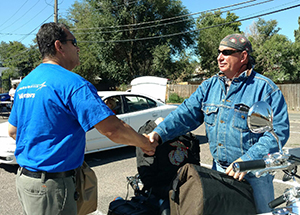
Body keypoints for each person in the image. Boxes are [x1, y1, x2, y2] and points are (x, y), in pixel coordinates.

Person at [7, 22, 157, 215]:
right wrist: (145, 143)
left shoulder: (26, 83)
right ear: (58, 46)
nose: (78, 48)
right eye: (73, 42)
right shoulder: (73, 83)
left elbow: (13, 130)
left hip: (26, 181)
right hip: (52, 186)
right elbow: (113, 129)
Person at [148, 34, 290, 213]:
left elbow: (278, 132)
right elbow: (184, 114)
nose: (219, 57)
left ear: (243, 56)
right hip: (220, 171)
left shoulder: (265, 89)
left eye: (226, 52)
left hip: (254, 173)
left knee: (264, 213)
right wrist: (159, 133)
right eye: (218, 52)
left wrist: (247, 160)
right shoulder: (209, 86)